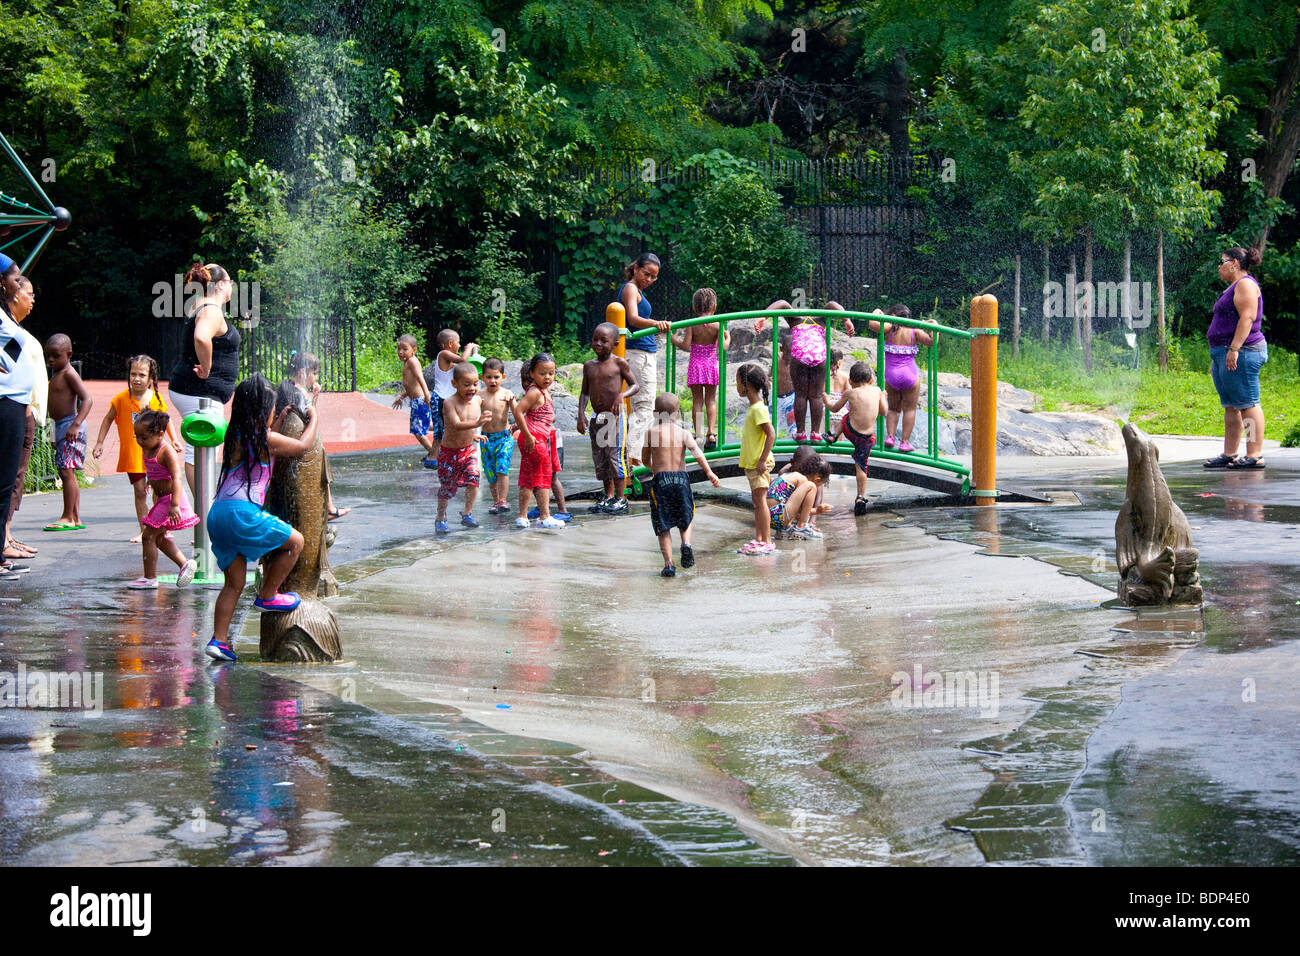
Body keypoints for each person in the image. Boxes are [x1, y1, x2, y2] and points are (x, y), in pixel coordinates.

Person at [204, 375, 317, 662]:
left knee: (233, 583)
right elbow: (302, 446)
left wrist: (278, 420)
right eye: (271, 407)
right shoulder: (264, 439)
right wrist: (314, 416)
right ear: (261, 411)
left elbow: (268, 443)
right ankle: (268, 594)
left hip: (218, 514)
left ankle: (219, 641)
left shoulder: (237, 436)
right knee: (295, 542)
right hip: (242, 513)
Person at [167, 262, 241, 492]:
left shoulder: (202, 305)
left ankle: (205, 504)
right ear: (220, 285)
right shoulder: (211, 309)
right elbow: (201, 338)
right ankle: (204, 508)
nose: (232, 286)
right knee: (199, 450)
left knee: (202, 449)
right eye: (229, 282)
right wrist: (207, 368)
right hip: (199, 392)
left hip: (196, 391)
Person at [91, 355, 181, 543]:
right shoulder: (121, 399)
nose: (136, 379)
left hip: (155, 454)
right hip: (133, 454)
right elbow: (108, 419)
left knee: (160, 490)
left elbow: (167, 418)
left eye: (142, 374)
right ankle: (144, 529)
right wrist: (100, 443)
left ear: (150, 379)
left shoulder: (155, 399)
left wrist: (174, 440)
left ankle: (161, 526)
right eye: (133, 374)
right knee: (140, 492)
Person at [1204, 246, 1269, 470]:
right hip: (1225, 352)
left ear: (1234, 263)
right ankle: (1230, 453)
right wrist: (1218, 359)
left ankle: (1254, 454)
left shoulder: (1245, 284)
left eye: (1221, 262)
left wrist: (1234, 349)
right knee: (1232, 406)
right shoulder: (1233, 287)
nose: (1219, 267)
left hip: (1244, 351)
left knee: (1248, 404)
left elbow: (1248, 318)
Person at [642, 392, 720, 577]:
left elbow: (644, 459)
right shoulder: (684, 433)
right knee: (686, 515)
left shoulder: (651, 433)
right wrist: (709, 472)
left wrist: (655, 469)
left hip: (661, 480)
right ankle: (686, 543)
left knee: (663, 524)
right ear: (678, 414)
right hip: (681, 479)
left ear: (655, 414)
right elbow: (697, 453)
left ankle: (669, 564)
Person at [756, 299, 853, 442]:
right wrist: (847, 320)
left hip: (800, 355)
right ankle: (815, 433)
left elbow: (782, 303)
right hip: (818, 355)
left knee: (800, 395)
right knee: (816, 396)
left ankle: (801, 433)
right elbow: (833, 304)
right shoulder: (820, 319)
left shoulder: (795, 320)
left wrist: (763, 317)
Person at [128, 410, 198, 589]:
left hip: (171, 500)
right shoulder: (148, 447)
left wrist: (175, 505)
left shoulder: (166, 451)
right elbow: (155, 471)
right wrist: (149, 482)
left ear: (160, 434)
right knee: (157, 538)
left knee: (148, 536)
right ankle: (184, 564)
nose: (140, 441)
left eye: (143, 437)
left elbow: (177, 477)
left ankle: (150, 578)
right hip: (163, 500)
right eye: (137, 436)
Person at [4, 275, 46, 562]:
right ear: (13, 293)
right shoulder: (6, 327)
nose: (32, 300)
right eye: (28, 294)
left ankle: (5, 535)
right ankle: (3, 539)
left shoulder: (13, 328)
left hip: (22, 408)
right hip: (14, 406)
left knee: (13, 478)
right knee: (9, 477)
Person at [578, 321, 638, 515]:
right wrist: (581, 414)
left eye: (604, 341)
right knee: (601, 457)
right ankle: (608, 495)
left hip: (615, 418)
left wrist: (622, 395)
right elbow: (584, 393)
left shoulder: (619, 363)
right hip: (598, 418)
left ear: (614, 344)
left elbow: (635, 385)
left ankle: (621, 498)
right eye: (595, 339)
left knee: (615, 457)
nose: (598, 344)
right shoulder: (589, 366)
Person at [620, 253, 668, 467]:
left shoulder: (637, 290)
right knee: (644, 406)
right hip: (638, 354)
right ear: (636, 268)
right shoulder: (630, 288)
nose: (649, 279)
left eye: (653, 277)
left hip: (643, 353)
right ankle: (635, 460)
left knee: (643, 405)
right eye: (646, 274)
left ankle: (635, 457)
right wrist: (656, 323)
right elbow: (632, 318)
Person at [287, 351, 347, 519]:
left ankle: (327, 506)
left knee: (322, 465)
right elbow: (308, 417)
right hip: (304, 441)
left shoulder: (298, 390)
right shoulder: (297, 392)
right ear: (302, 372)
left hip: (307, 438)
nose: (315, 377)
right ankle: (328, 507)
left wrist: (315, 396)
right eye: (314, 373)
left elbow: (310, 412)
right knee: (321, 468)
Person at [867, 304, 933, 452]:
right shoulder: (915, 330)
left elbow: (871, 322)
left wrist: (878, 310)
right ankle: (904, 442)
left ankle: (890, 437)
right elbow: (931, 341)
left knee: (893, 409)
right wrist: (933, 325)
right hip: (910, 375)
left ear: (893, 316)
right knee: (910, 410)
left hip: (891, 375)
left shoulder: (888, 328)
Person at [670, 288, 731, 448]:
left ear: (694, 308)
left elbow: (685, 345)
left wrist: (674, 339)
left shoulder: (692, 324)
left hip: (696, 365)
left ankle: (698, 434)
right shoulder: (718, 324)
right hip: (711, 365)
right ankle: (711, 433)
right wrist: (728, 338)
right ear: (715, 307)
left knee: (697, 400)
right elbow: (723, 347)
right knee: (710, 400)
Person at [43, 333, 91, 531]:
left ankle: (67, 516)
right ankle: (76, 517)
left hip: (71, 426)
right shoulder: (57, 375)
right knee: (67, 472)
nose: (51, 360)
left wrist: (76, 424)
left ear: (69, 354)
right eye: (48, 356)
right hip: (61, 426)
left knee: (66, 471)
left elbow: (87, 399)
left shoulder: (70, 373)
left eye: (55, 356)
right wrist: (53, 434)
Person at [436, 362, 491, 533]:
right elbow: (456, 425)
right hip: (449, 453)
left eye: (475, 384)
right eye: (466, 384)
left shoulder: (477, 400)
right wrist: (477, 424)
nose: (472, 388)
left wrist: (474, 435)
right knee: (448, 488)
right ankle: (441, 516)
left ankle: (467, 513)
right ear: (454, 384)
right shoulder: (449, 403)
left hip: (468, 449)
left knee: (474, 477)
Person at [828, 361, 888, 516]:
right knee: (861, 466)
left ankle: (834, 435)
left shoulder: (850, 392)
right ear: (871, 381)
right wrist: (883, 396)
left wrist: (825, 400)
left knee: (845, 416)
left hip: (850, 431)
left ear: (850, 381)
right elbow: (883, 411)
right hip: (866, 438)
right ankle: (860, 497)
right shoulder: (876, 390)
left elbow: (834, 408)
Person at [513, 353, 565, 529]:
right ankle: (544, 516)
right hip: (535, 439)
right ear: (532, 373)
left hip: (534, 437)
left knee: (528, 477)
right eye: (542, 373)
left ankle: (522, 516)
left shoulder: (543, 391)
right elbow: (518, 411)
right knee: (543, 476)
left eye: (551, 373)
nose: (548, 377)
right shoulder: (535, 391)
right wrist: (527, 435)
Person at [736, 363, 777, 555]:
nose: (736, 387)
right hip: (753, 463)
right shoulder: (754, 408)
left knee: (760, 502)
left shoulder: (758, 409)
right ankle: (760, 538)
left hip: (758, 464)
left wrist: (761, 460)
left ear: (746, 385)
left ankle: (767, 540)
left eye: (737, 382)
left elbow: (771, 434)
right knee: (757, 501)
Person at [428, 328, 480, 461]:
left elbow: (463, 365)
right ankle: (433, 459)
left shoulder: (449, 359)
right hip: (440, 398)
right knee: (440, 433)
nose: (460, 346)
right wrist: (470, 347)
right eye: (458, 343)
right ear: (450, 343)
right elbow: (463, 360)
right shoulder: (443, 354)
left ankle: (445, 457)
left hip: (447, 400)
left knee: (449, 429)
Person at [479, 357, 517, 514]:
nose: (492, 381)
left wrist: (513, 401)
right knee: (491, 474)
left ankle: (503, 501)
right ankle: (496, 501)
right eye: (488, 377)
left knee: (502, 469)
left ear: (503, 377)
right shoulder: (479, 396)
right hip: (486, 438)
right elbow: (470, 414)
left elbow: (517, 413)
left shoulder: (507, 394)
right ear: (483, 378)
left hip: (503, 438)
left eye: (496, 377)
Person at [392, 334, 435, 466]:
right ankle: (446, 429)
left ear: (414, 350)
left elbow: (420, 378)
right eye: (399, 349)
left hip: (420, 401)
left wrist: (427, 395)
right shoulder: (407, 362)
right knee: (426, 426)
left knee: (418, 432)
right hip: (417, 402)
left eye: (405, 349)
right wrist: (402, 396)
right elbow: (412, 385)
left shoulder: (412, 362)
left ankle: (434, 454)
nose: (401, 352)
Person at [766, 455, 830, 541]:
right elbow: (801, 511)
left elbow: (797, 510)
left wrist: (816, 511)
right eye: (819, 485)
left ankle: (784, 531)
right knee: (811, 486)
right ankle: (801, 528)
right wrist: (813, 513)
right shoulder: (802, 480)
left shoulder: (790, 475)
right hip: (779, 515)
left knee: (788, 500)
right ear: (816, 479)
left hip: (768, 518)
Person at [778, 444, 834, 532]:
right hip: (783, 513)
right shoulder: (785, 472)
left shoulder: (813, 474)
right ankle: (800, 526)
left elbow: (818, 500)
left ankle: (801, 523)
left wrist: (812, 522)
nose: (806, 470)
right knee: (811, 486)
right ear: (792, 463)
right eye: (803, 467)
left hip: (778, 513)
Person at [825, 349, 850, 440]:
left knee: (823, 435)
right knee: (838, 439)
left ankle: (822, 452)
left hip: (826, 410)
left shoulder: (824, 375)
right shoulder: (845, 376)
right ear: (840, 362)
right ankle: (840, 453)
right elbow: (849, 393)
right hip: (840, 410)